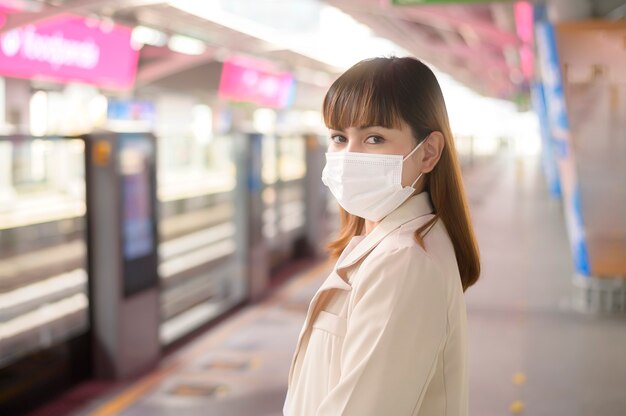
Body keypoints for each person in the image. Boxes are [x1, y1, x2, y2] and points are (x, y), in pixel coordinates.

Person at [282, 56, 480, 416]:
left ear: (429, 153)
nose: (349, 156)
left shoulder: (403, 263)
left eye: (374, 138)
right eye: (339, 137)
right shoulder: (390, 244)